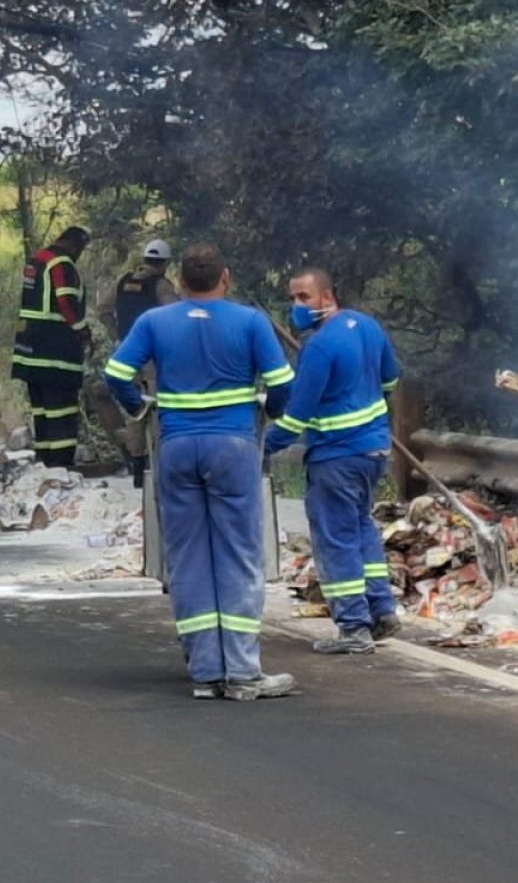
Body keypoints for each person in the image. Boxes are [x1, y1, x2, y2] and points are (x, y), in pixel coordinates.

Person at [105, 244, 298, 701]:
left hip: (176, 447)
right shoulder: (250, 321)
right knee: (238, 553)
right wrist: (269, 411)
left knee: (188, 556)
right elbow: (284, 383)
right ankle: (243, 672)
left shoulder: (155, 322)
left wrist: (138, 408)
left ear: (182, 283)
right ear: (225, 278)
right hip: (232, 446)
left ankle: (206, 671)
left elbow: (115, 373)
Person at [264, 266, 403, 654]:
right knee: (361, 529)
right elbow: (391, 379)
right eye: (292, 298)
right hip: (374, 451)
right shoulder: (368, 326)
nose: (296, 305)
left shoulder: (319, 346)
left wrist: (263, 446)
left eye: (304, 297)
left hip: (335, 458)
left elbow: (297, 415)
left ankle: (354, 628)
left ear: (327, 296)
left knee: (336, 540)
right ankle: (382, 610)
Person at [88, 239, 181, 483]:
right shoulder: (161, 286)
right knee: (151, 406)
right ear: (164, 264)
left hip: (126, 354)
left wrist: (116, 334)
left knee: (130, 406)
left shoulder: (123, 282)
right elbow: (177, 316)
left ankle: (134, 461)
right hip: (152, 356)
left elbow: (102, 309)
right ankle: (149, 464)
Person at [12, 226, 92, 467]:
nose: (79, 255)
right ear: (75, 245)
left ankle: (44, 462)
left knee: (42, 411)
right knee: (62, 411)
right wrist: (83, 332)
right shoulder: (62, 265)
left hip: (29, 353)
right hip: (55, 354)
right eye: (81, 250)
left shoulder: (36, 261)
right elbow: (66, 302)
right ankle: (61, 464)